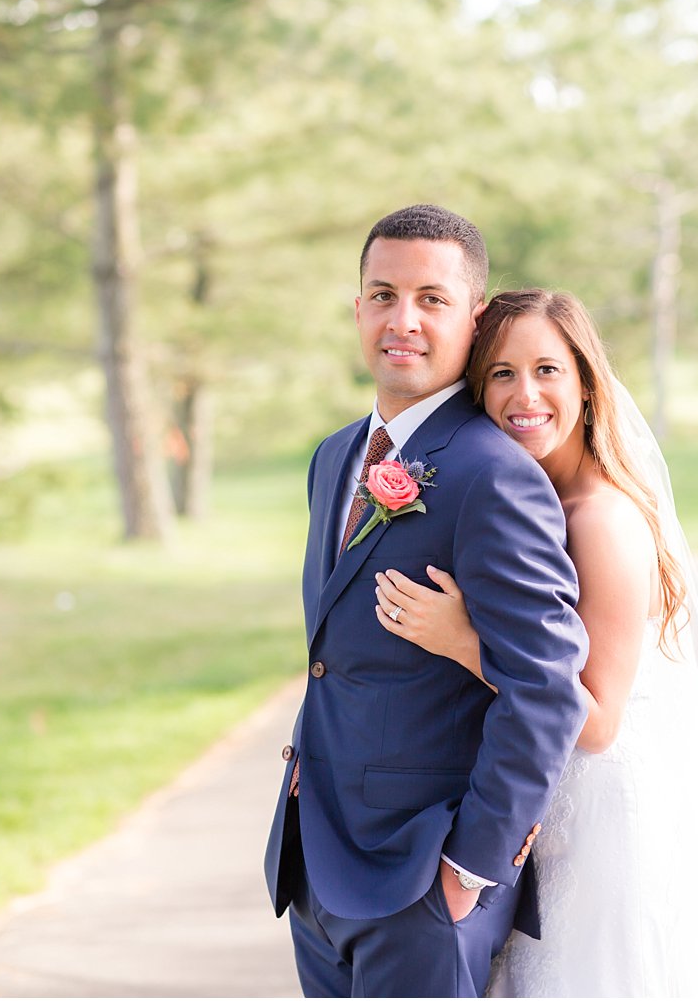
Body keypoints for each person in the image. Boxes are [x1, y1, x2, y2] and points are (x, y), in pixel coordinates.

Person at [371, 289, 698, 997]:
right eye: (500, 372)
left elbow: (595, 722)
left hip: (597, 828)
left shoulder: (602, 519)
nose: (524, 394)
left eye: (547, 370)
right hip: (537, 813)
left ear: (587, 385)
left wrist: (465, 641)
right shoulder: (529, 503)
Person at [263, 209, 590, 998]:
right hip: (318, 865)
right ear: (358, 309)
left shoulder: (494, 474)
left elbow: (545, 692)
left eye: (431, 299)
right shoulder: (336, 456)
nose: (402, 319)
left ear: (473, 318)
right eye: (383, 294)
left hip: (423, 881)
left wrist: (470, 867)